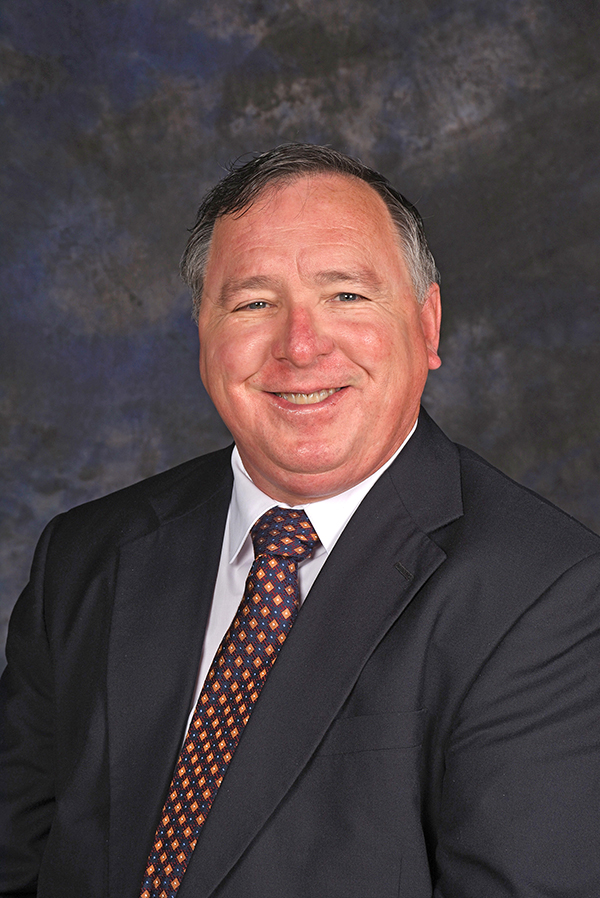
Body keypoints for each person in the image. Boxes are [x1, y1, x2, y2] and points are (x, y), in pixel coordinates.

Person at [1, 144, 599, 898]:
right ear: (204, 333)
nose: (300, 346)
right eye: (253, 303)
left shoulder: (548, 595)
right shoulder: (87, 554)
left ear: (428, 325)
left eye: (345, 295)